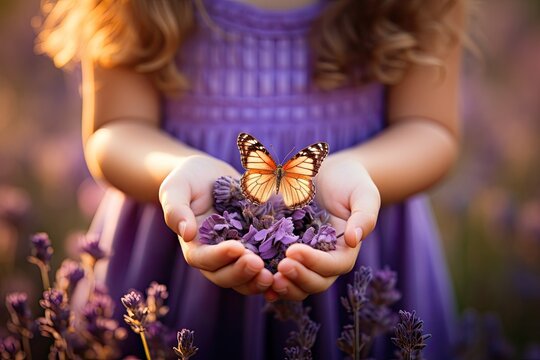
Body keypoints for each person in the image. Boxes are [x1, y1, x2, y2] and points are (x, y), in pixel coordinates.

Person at [37, 0, 467, 358]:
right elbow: (114, 128)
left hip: (362, 234)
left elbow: (431, 128)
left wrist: (358, 172)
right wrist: (177, 173)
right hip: (171, 240)